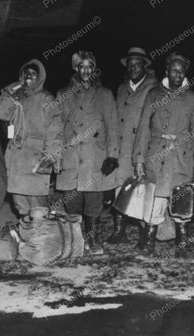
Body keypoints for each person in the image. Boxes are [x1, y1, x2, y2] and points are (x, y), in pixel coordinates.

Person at [133, 52, 194, 256]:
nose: (178, 74)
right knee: (155, 200)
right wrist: (138, 159)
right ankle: (148, 241)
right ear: (167, 71)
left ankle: (181, 243)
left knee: (181, 201)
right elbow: (143, 129)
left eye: (181, 71)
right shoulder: (153, 95)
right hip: (157, 156)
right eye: (174, 70)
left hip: (181, 158)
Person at [56, 51, 119, 255]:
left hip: (94, 156)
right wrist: (56, 156)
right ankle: (76, 240)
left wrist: (112, 155)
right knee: (72, 201)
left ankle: (93, 239)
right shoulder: (63, 94)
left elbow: (113, 126)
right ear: (76, 68)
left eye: (90, 66)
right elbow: (57, 128)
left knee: (94, 202)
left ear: (94, 69)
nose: (86, 71)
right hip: (72, 155)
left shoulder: (105, 94)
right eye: (81, 66)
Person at [0, 59, 63, 217]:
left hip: (36, 158)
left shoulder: (47, 99)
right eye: (26, 73)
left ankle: (40, 239)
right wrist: (13, 92)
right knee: (21, 205)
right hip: (17, 158)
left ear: (40, 77)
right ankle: (27, 238)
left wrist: (52, 155)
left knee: (38, 209)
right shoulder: (16, 96)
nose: (29, 77)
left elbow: (55, 131)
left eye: (34, 74)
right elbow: (0, 113)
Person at [107, 47, 157, 244]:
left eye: (138, 64)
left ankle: (146, 233)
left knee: (144, 190)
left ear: (145, 66)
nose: (134, 67)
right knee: (121, 188)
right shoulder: (121, 88)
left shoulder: (154, 89)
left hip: (143, 148)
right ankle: (119, 230)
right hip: (122, 148)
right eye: (131, 64)